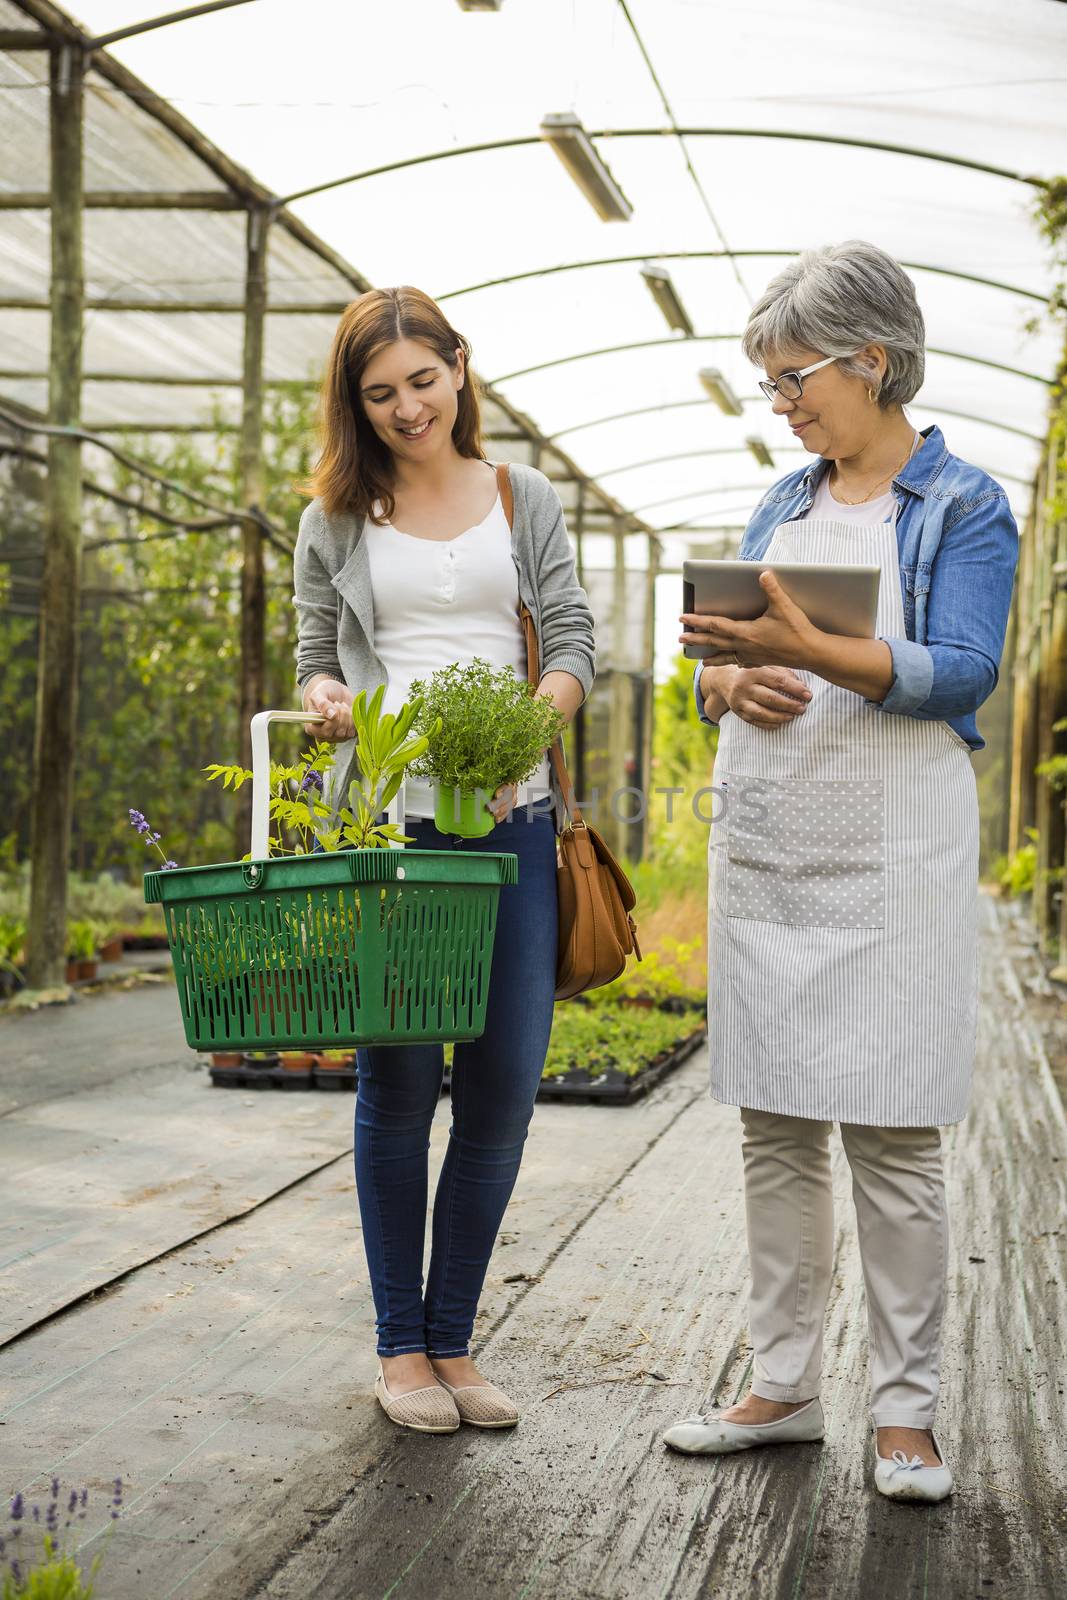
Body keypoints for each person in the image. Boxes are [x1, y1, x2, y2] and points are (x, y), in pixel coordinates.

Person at [667, 241, 1018, 1502]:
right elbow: (711, 652)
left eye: (793, 376)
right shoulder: (782, 501)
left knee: (891, 1132)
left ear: (870, 359)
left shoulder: (962, 506)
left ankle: (906, 1414)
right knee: (774, 1128)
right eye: (769, 383)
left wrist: (809, 642)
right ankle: (778, 1386)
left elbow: (965, 670)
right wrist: (725, 676)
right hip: (775, 834)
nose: (781, 402)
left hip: (895, 843)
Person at [293, 286, 594, 1434]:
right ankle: (399, 1349)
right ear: (354, 404)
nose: (407, 407)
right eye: (379, 393)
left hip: (507, 817)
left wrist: (534, 722)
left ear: (459, 369)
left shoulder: (521, 496)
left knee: (504, 1083)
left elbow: (567, 635)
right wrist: (324, 695)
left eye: (422, 380)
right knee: (399, 1083)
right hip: (391, 823)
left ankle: (456, 1337)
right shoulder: (334, 514)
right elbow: (318, 655)